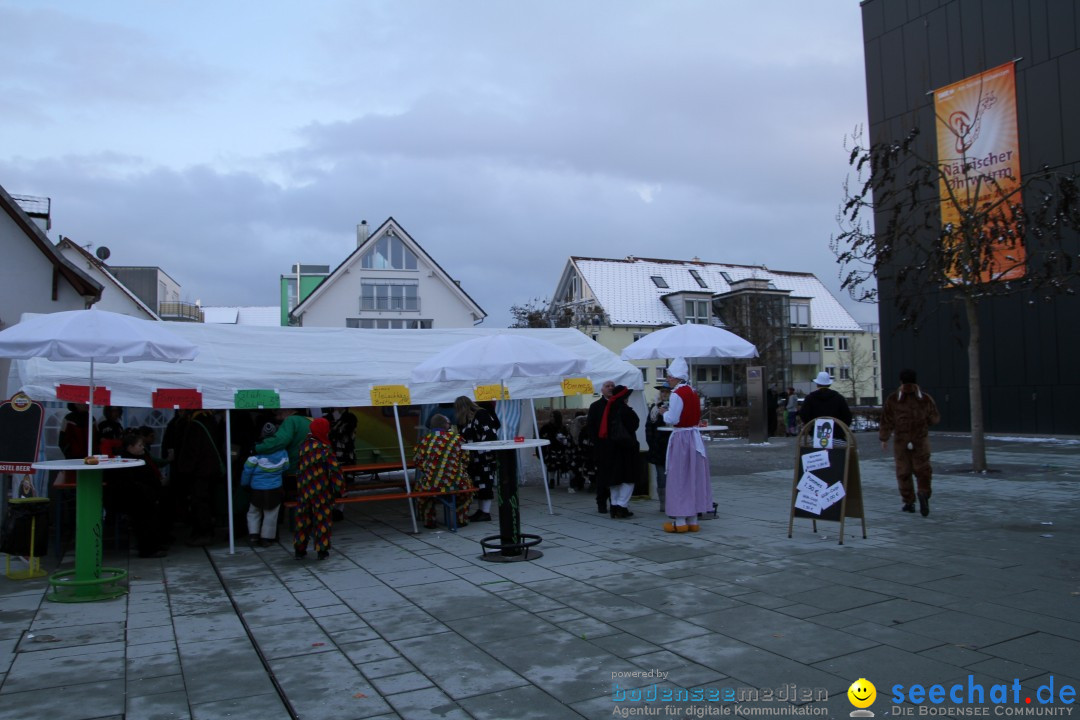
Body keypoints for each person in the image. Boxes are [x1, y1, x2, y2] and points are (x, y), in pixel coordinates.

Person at [880, 369, 941, 516]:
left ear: (901, 381)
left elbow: (886, 420)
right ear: (915, 381)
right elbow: (935, 419)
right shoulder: (925, 399)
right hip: (920, 441)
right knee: (923, 470)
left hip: (901, 442)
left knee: (903, 472)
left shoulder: (893, 399)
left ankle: (909, 502)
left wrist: (884, 438)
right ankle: (924, 493)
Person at [662, 359, 713, 532]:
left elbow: (673, 418)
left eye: (669, 376)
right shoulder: (692, 392)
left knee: (679, 477)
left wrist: (664, 413)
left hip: (682, 438)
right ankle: (693, 519)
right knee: (693, 476)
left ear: (676, 377)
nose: (667, 379)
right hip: (694, 438)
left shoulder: (676, 394)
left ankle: (680, 521)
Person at [293, 417, 345, 560]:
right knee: (322, 519)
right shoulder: (324, 449)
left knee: (303, 520)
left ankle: (300, 549)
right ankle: (322, 550)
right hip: (321, 490)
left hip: (304, 490)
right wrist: (339, 489)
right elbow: (335, 471)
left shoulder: (304, 446)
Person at [586, 381, 640, 519]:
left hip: (610, 448)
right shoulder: (623, 409)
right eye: (607, 386)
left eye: (612, 386)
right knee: (628, 478)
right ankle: (621, 506)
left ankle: (615, 505)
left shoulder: (608, 408)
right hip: (624, 448)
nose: (609, 388)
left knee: (614, 478)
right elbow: (634, 425)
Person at [172, 410, 226, 546]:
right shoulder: (211, 421)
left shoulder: (195, 425)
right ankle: (204, 530)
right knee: (206, 500)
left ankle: (204, 532)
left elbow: (191, 451)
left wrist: (183, 470)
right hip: (211, 469)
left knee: (199, 501)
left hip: (200, 471)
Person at [114, 429, 168, 558]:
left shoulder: (141, 456)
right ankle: (148, 549)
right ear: (130, 447)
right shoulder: (127, 461)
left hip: (147, 494)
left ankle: (156, 544)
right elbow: (132, 483)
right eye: (139, 445)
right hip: (138, 497)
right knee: (145, 520)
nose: (142, 447)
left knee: (155, 517)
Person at [413, 414, 471, 529]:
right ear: (445, 425)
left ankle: (429, 520)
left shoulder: (424, 441)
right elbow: (466, 459)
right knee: (467, 491)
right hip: (457, 482)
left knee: (421, 493)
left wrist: (430, 471)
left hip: (431, 483)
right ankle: (461, 518)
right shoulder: (457, 439)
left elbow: (417, 461)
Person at [240, 422, 289, 546]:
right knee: (271, 514)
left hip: (256, 488)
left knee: (253, 512)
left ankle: (253, 535)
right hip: (275, 488)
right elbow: (286, 467)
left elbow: (247, 470)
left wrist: (244, 484)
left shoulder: (256, 451)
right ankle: (266, 538)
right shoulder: (283, 452)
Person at [455, 396, 501, 522]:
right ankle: (482, 511)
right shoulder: (466, 419)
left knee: (485, 483)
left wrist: (483, 452)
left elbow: (490, 434)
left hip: (484, 457)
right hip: (474, 458)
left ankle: (485, 512)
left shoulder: (481, 415)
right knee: (479, 484)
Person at [255, 409, 312, 502]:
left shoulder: (291, 420)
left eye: (279, 412)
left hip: (293, 470)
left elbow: (279, 441)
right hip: (309, 469)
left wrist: (257, 447)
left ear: (288, 409)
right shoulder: (310, 420)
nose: (277, 416)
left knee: (290, 501)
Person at [645, 385, 672, 513]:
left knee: (674, 475)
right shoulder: (654, 408)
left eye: (667, 391)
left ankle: (676, 501)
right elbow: (649, 426)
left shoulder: (675, 407)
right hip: (658, 448)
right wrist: (651, 443)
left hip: (672, 446)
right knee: (661, 477)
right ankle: (664, 503)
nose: (664, 394)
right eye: (662, 391)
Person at [538, 410, 575, 490]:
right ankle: (552, 479)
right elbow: (543, 439)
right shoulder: (546, 428)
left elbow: (568, 438)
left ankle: (572, 480)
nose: (551, 418)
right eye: (550, 416)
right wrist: (553, 439)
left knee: (568, 458)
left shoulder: (563, 428)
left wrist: (564, 440)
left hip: (562, 449)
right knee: (552, 458)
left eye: (553, 416)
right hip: (550, 449)